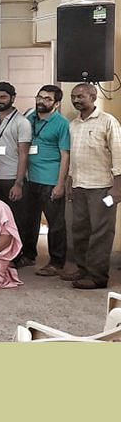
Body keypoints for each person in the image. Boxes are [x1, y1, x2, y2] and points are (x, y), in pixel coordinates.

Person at [64, 83, 121, 289]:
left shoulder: (108, 121)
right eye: (73, 97)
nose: (76, 100)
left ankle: (97, 277)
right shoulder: (73, 124)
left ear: (93, 96)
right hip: (79, 186)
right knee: (79, 230)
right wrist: (69, 182)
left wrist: (117, 187)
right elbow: (73, 158)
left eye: (80, 96)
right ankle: (83, 270)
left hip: (102, 188)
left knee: (101, 232)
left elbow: (118, 154)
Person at [20, 85, 70, 277]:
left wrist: (60, 184)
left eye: (47, 99)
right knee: (28, 220)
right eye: (39, 97)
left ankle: (57, 262)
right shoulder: (29, 117)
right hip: (29, 178)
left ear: (56, 103)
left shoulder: (62, 123)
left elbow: (65, 155)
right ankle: (29, 255)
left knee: (55, 224)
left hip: (50, 180)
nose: (41, 101)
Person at [0, 82, 31, 263]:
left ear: (12, 98)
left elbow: (24, 154)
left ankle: (16, 257)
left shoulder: (22, 122)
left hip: (12, 178)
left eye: (3, 97)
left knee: (15, 220)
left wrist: (19, 183)